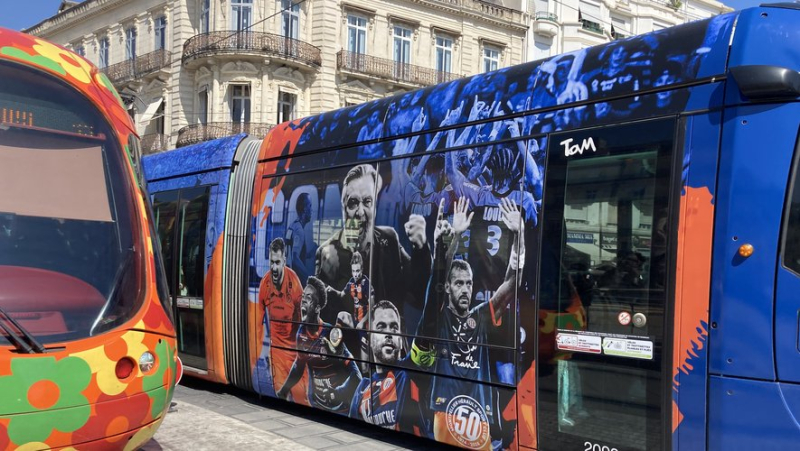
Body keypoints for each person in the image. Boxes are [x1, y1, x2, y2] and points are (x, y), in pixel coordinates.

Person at [411, 197, 524, 450]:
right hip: (443, 419)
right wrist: (451, 241)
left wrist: (519, 236)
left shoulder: (481, 316)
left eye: (469, 283)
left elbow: (512, 283)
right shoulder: (438, 318)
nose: (465, 289)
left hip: (481, 423)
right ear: (449, 287)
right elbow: (436, 284)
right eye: (459, 283)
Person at [315, 164, 431, 327]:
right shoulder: (328, 253)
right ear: (344, 208)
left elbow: (420, 297)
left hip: (389, 347)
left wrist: (421, 248)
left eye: (367, 202)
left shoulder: (389, 240)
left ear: (374, 206)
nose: (360, 212)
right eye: (353, 203)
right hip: (347, 349)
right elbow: (319, 319)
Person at [276, 276, 362, 414]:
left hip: (341, 409)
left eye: (308, 298)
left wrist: (336, 393)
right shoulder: (301, 333)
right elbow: (299, 366)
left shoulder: (331, 334)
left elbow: (357, 375)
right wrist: (283, 392)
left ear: (317, 308)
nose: (303, 300)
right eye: (303, 296)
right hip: (316, 405)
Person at [348, 300, 428, 434]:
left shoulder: (410, 370)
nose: (389, 333)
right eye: (381, 327)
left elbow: (427, 323)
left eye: (394, 328)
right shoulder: (362, 389)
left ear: (401, 341)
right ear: (371, 339)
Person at [257, 238, 308, 404]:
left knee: (302, 398)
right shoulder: (264, 284)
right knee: (282, 396)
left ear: (284, 261)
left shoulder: (295, 285)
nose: (274, 268)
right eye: (271, 262)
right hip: (277, 352)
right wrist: (260, 354)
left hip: (295, 352)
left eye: (277, 262)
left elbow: (303, 324)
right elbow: (257, 323)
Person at [285, 193, 316, 283]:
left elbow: (292, 251)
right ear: (305, 209)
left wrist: (310, 254)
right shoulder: (299, 231)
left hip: (289, 279)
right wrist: (309, 278)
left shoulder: (293, 225)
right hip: (296, 282)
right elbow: (295, 258)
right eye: (310, 206)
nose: (312, 209)